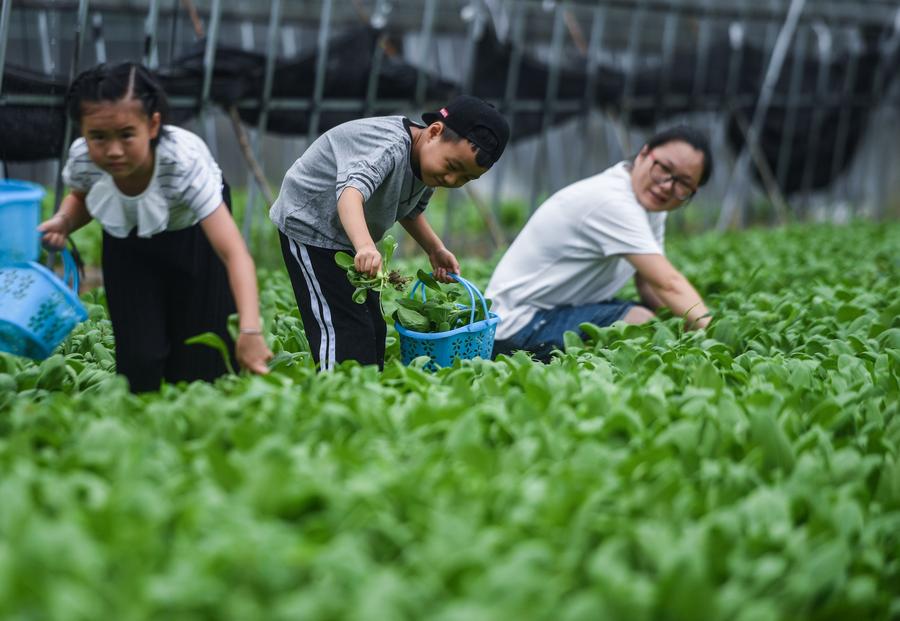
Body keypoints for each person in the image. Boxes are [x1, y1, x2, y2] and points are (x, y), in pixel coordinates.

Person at [38, 62, 272, 392]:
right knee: (139, 361)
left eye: (126, 134)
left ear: (152, 125)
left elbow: (235, 254)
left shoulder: (181, 163)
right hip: (126, 237)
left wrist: (250, 331)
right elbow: (83, 195)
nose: (113, 150)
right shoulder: (84, 159)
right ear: (82, 131)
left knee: (200, 366)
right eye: (98, 137)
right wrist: (64, 221)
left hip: (193, 233)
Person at [271, 95, 510, 371]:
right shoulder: (389, 148)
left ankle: (366, 389)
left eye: (466, 178)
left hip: (348, 233)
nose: (452, 180)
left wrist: (435, 249)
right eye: (453, 167)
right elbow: (350, 194)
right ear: (434, 132)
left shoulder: (427, 166)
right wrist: (364, 246)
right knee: (341, 325)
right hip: (310, 221)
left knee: (372, 326)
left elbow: (409, 210)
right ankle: (333, 389)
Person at [486, 125, 714, 361]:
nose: (667, 185)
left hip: (550, 312)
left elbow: (648, 283)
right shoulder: (612, 201)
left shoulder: (650, 205)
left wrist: (676, 324)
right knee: (640, 322)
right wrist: (715, 336)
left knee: (654, 321)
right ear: (644, 154)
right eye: (664, 168)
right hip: (515, 325)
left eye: (683, 184)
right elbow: (668, 283)